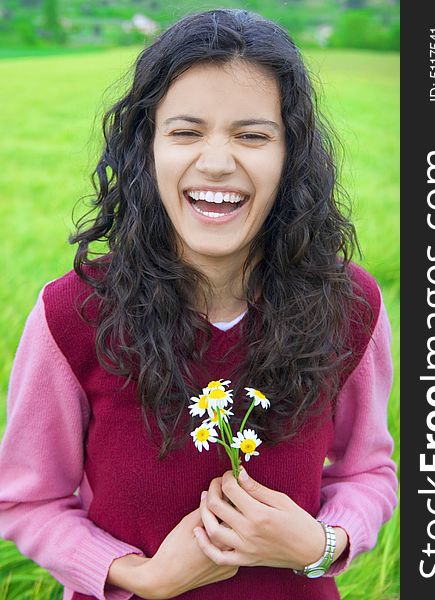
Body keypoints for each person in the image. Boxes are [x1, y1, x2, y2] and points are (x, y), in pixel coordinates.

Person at [0, 8, 397, 600]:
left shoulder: (349, 305)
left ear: (290, 156)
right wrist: (144, 575)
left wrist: (320, 544)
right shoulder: (73, 313)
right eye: (186, 132)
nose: (216, 161)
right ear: (146, 148)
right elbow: (27, 501)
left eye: (252, 134)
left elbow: (369, 472)